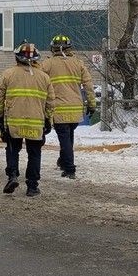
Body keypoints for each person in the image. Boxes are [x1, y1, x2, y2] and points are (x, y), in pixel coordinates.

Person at [0, 41, 54, 197]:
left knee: (12, 150)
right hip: (36, 122)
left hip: (13, 122)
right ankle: (32, 187)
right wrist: (48, 120)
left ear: (17, 57)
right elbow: (50, 102)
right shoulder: (45, 77)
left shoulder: (8, 74)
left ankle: (12, 176)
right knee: (34, 153)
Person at [41, 34, 97, 179]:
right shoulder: (78, 63)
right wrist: (92, 104)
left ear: (53, 48)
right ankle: (63, 161)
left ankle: (70, 168)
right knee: (68, 136)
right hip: (76, 108)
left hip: (59, 108)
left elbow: (38, 82)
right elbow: (88, 85)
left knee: (64, 138)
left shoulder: (47, 64)